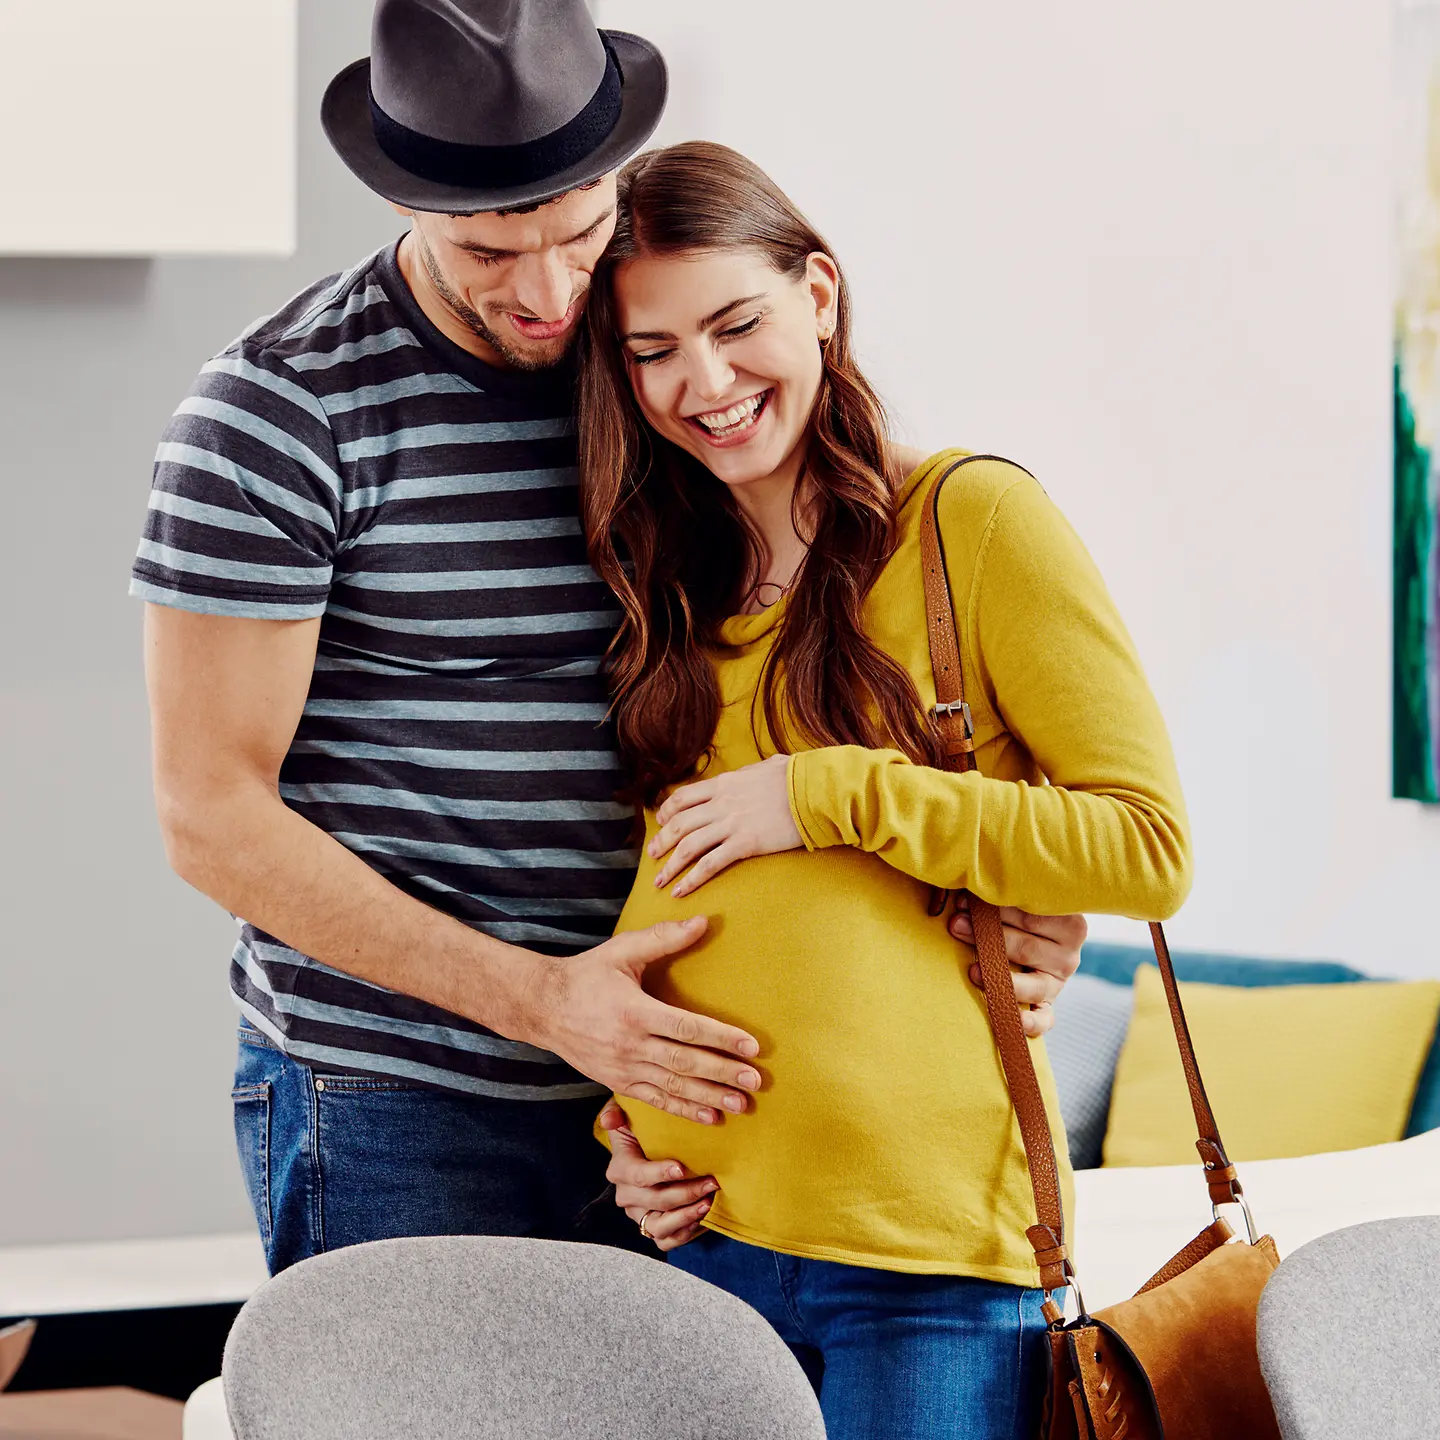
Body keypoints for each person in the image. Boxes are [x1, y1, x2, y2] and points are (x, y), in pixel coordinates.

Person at [131, 0, 1084, 1277]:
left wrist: (1024, 905)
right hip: (404, 1102)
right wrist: (551, 1009)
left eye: (580, 233)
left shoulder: (675, 374)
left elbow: (873, 665)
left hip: (696, 1091)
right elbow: (210, 814)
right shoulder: (277, 415)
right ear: (402, 199)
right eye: (486, 250)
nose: (545, 293)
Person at [576, 142, 1192, 1440]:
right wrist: (625, 1136)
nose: (704, 382)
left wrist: (834, 791)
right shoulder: (672, 598)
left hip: (927, 1268)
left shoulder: (972, 521)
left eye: (737, 323)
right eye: (653, 350)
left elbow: (1146, 850)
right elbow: (667, 905)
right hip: (704, 1247)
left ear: (822, 295)